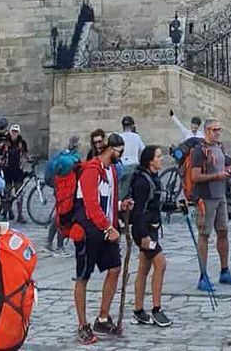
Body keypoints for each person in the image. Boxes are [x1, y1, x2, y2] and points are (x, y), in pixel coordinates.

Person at [72, 131, 124, 343]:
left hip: (104, 228)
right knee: (83, 277)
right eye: (119, 152)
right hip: (88, 230)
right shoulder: (91, 171)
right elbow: (92, 204)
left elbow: (108, 201)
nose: (121, 156)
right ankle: (82, 325)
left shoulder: (110, 170)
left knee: (115, 268)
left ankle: (102, 317)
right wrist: (108, 228)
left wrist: (120, 208)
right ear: (111, 150)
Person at [190, 118, 231, 292]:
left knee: (223, 232)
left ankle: (224, 270)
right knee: (204, 234)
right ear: (207, 131)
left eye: (219, 129)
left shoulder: (219, 148)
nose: (218, 132)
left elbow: (223, 165)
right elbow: (195, 177)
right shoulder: (199, 151)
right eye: (215, 129)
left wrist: (230, 173)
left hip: (220, 197)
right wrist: (218, 176)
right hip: (206, 197)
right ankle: (203, 275)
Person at [128, 144, 173, 327]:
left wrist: (177, 207)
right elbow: (138, 212)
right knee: (161, 264)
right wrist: (144, 236)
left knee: (144, 268)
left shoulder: (153, 179)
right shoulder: (142, 182)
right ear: (150, 161)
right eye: (158, 156)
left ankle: (138, 311)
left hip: (151, 228)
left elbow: (156, 205)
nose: (161, 159)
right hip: (144, 231)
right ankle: (156, 310)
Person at [0, 124, 29, 215]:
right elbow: (1, 154)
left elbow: (25, 154)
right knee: (7, 191)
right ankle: (6, 212)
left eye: (16, 132)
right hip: (7, 169)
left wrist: (28, 159)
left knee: (19, 192)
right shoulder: (5, 142)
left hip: (18, 169)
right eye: (13, 131)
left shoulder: (22, 142)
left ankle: (20, 214)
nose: (14, 133)